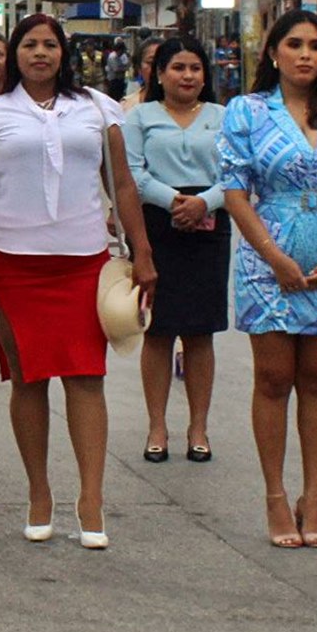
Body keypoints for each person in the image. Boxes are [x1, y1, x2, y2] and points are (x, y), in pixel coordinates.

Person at [0, 13, 156, 551]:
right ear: (13, 53)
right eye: (29, 44)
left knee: (86, 378)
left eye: (49, 44)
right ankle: (38, 493)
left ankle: (91, 498)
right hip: (11, 261)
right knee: (28, 380)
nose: (40, 53)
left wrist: (143, 253)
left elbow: (123, 186)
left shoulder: (98, 108)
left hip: (83, 261)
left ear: (63, 53)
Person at [219, 10, 317, 551]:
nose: (305, 54)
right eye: (294, 44)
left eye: (315, 45)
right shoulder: (247, 111)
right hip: (267, 264)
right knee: (272, 379)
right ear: (273, 52)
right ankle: (274, 495)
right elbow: (235, 191)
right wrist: (273, 257)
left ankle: (313, 499)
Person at [127, 34, 230, 465]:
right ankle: (157, 427)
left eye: (195, 68)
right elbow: (133, 173)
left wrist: (205, 202)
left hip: (211, 223)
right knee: (158, 330)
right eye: (177, 68)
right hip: (157, 225)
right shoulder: (140, 117)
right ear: (159, 73)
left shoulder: (224, 117)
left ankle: (198, 428)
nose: (187, 76)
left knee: (200, 332)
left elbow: (238, 174)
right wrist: (173, 201)